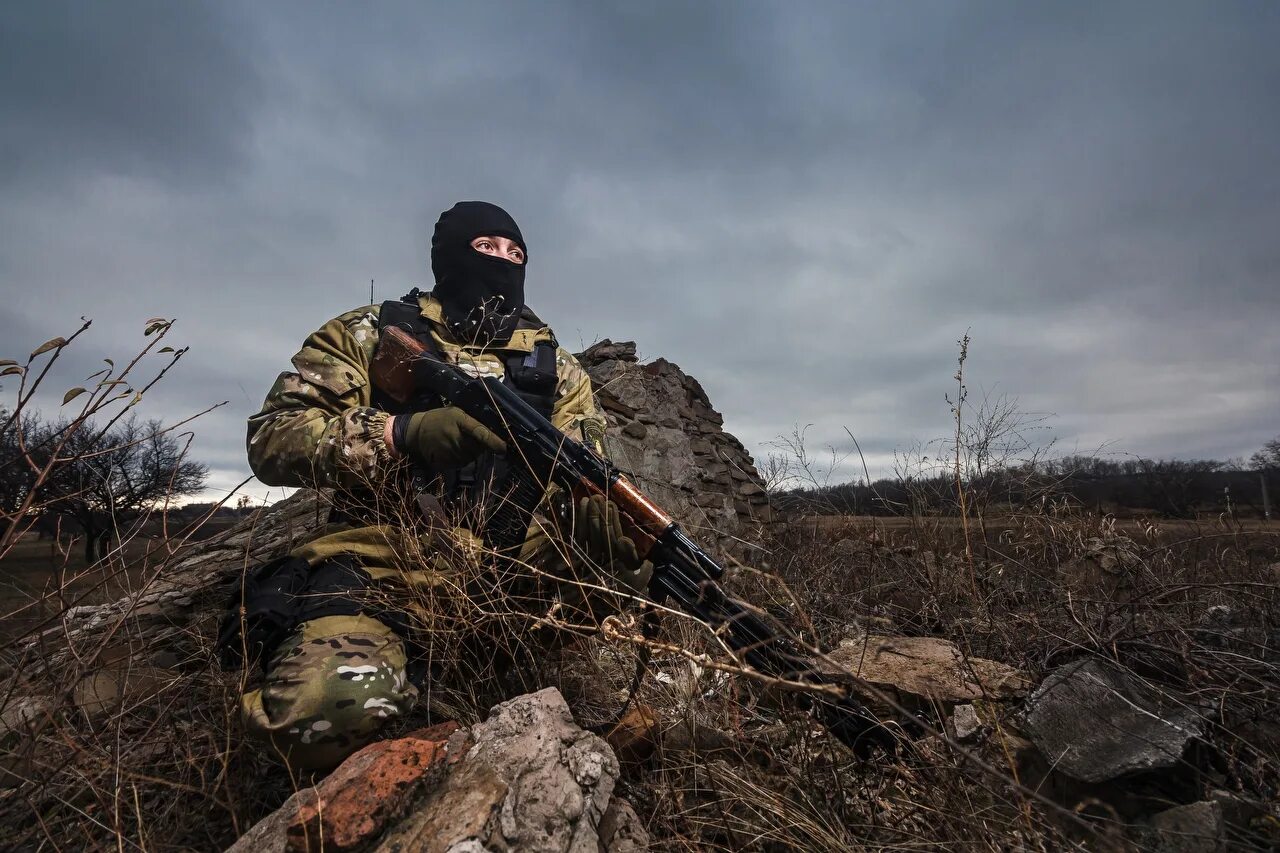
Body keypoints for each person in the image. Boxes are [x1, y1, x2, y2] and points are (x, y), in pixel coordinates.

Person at [232, 201, 651, 770]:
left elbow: (584, 465)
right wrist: (399, 432)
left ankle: (505, 683)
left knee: (638, 562)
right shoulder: (372, 332)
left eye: (516, 253)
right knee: (319, 713)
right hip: (384, 567)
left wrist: (600, 526)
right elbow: (273, 440)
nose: (504, 261)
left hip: (511, 580)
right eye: (488, 248)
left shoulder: (558, 368)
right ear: (451, 254)